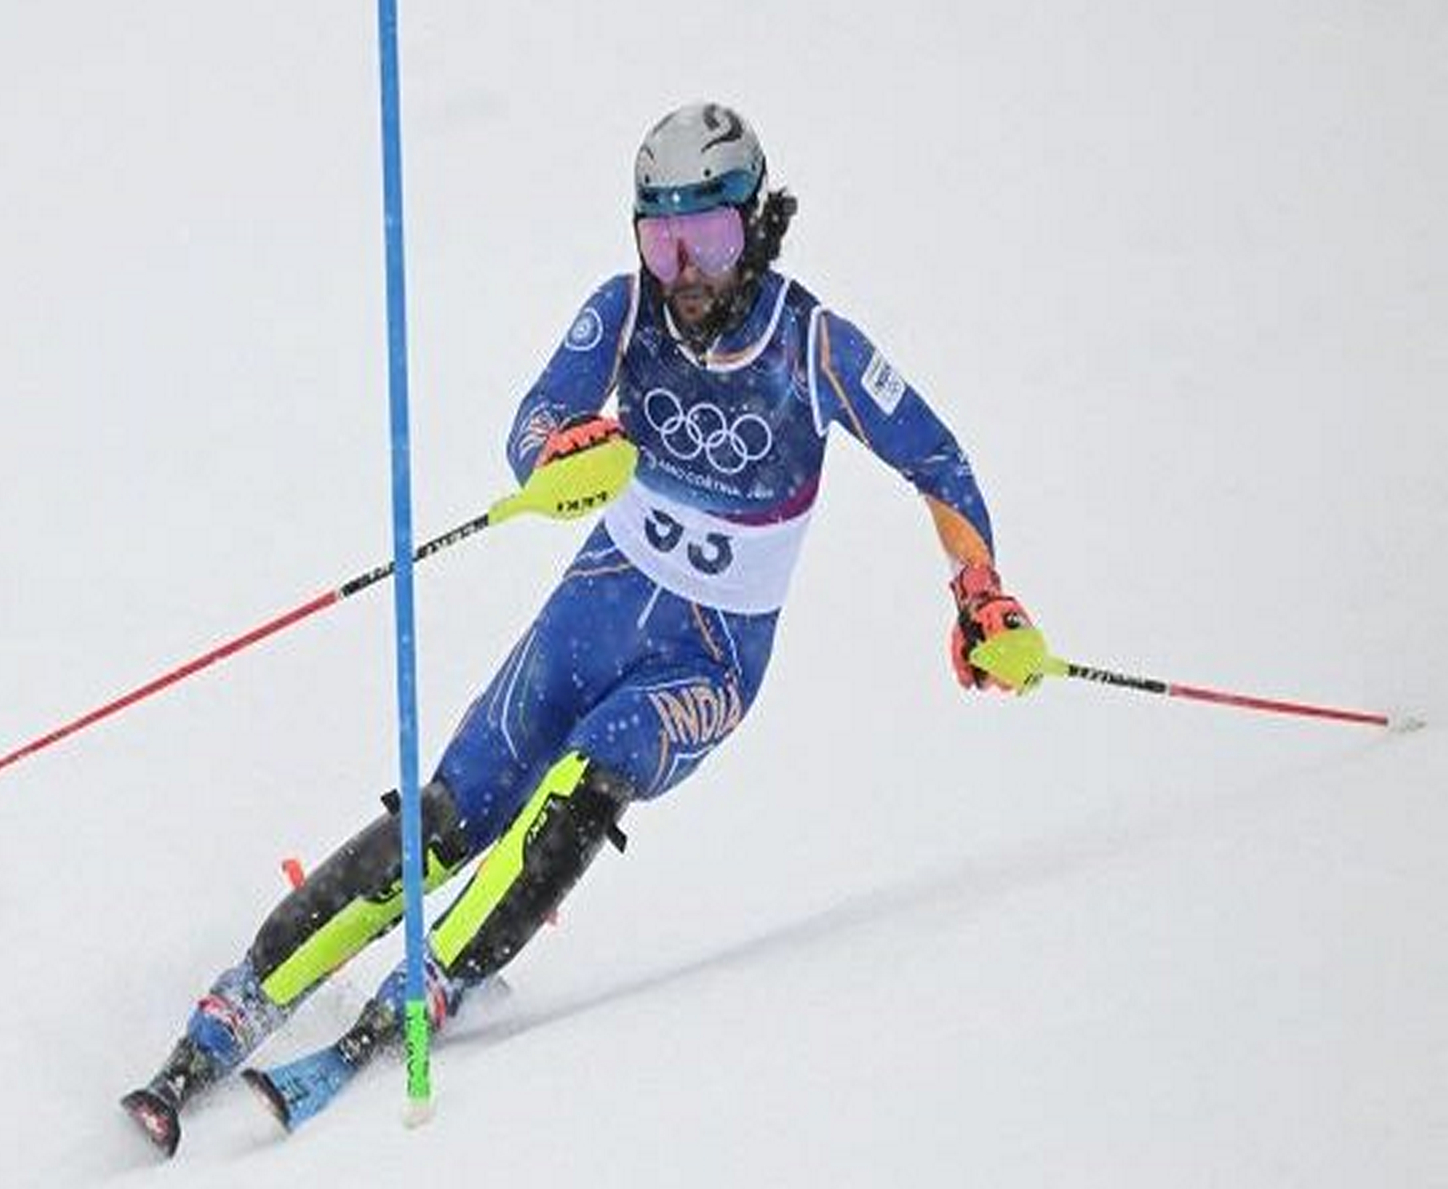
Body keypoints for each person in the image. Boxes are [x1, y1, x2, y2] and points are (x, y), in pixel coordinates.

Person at [122, 101, 1042, 1154]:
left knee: (586, 778)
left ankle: (422, 994)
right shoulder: (625, 309)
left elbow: (938, 461)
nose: (683, 270)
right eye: (661, 239)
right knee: (451, 811)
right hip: (594, 606)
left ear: (758, 225)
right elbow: (533, 423)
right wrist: (559, 452)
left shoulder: (813, 343)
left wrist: (977, 588)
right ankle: (238, 1004)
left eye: (708, 240)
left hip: (704, 660)